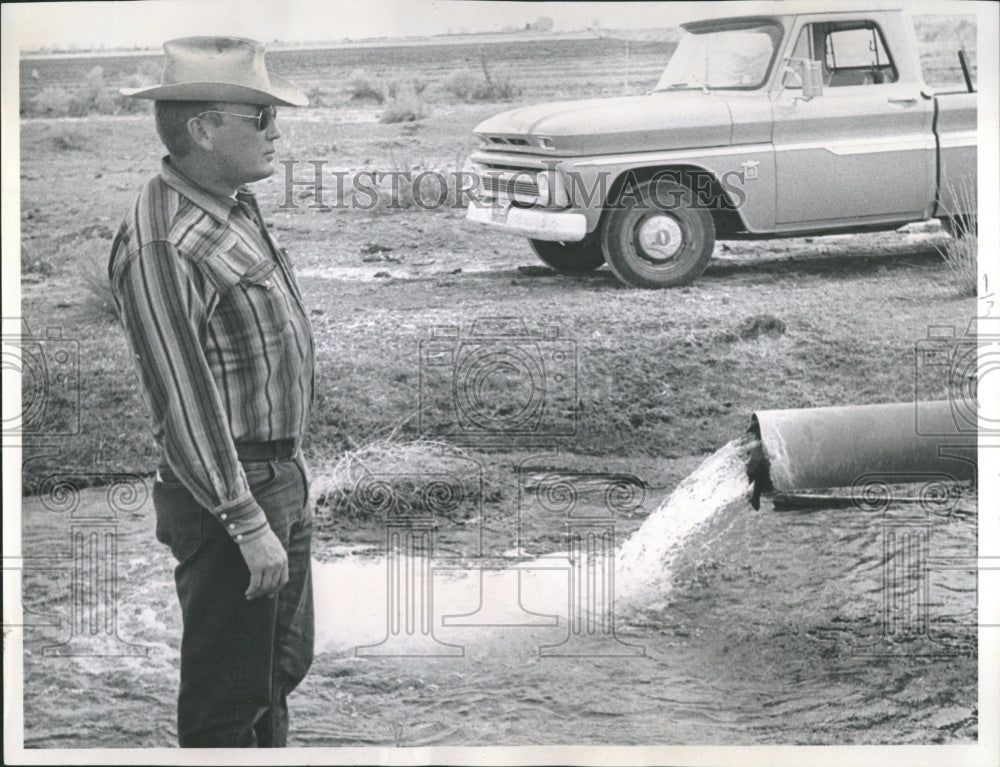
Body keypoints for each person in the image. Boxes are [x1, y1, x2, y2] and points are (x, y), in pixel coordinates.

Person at [108, 36, 315, 747]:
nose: (276, 130)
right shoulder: (166, 240)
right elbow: (184, 401)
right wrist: (245, 518)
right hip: (234, 490)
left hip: (276, 475)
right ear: (201, 129)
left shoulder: (229, 203)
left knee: (277, 673)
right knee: (228, 704)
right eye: (258, 116)